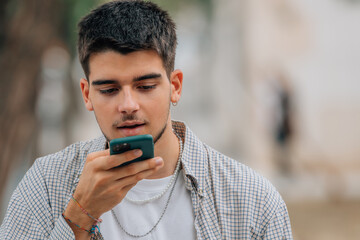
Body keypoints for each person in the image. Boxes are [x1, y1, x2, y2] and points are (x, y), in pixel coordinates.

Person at [0, 1, 293, 239]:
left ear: (175, 86)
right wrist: (78, 217)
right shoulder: (47, 185)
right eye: (109, 89)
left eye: (146, 86)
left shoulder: (250, 198)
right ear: (87, 94)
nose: (128, 105)